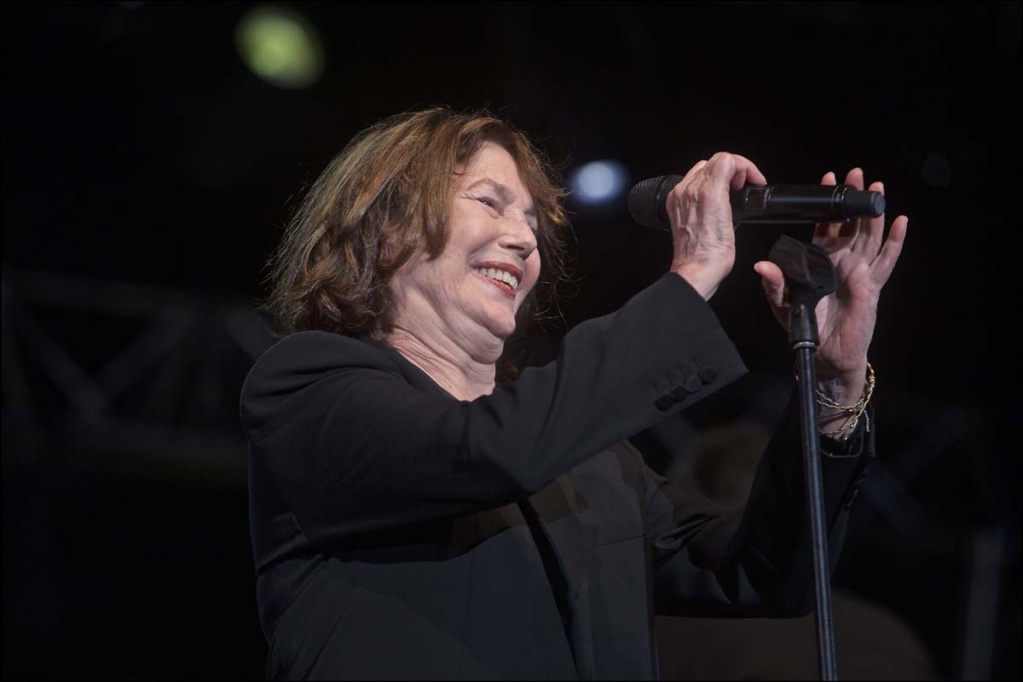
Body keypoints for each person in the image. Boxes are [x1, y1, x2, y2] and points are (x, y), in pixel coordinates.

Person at [240, 105, 908, 680]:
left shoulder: (594, 464)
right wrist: (692, 275)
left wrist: (832, 385)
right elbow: (485, 452)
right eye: (489, 202)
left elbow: (760, 573)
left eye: (532, 220)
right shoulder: (307, 385)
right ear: (387, 227)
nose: (523, 238)